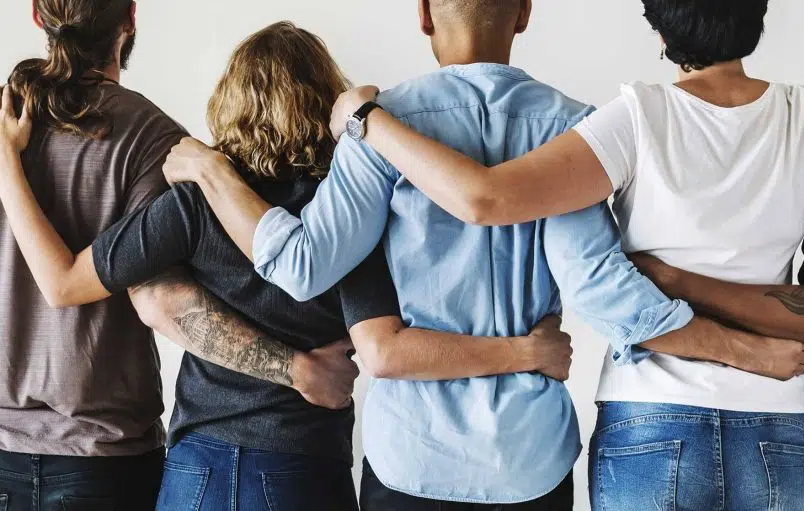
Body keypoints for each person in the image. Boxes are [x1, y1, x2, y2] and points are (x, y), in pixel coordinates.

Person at [158, 1, 804, 509]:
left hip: (412, 461)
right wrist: (741, 347)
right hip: (530, 461)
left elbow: (301, 267)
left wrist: (214, 173)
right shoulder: (573, 130)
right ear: (525, 13)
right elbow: (601, 292)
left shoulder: (378, 129)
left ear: (422, 14)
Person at [323, 0, 804, 508]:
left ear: (657, 27)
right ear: (758, 18)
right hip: (777, 423)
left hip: (650, 423)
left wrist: (365, 120)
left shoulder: (635, 119)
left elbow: (485, 198)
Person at [0, 20, 578, 511]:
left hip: (195, 466)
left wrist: (11, 167)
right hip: (300, 465)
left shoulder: (194, 201)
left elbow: (72, 281)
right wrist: (526, 350)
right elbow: (384, 346)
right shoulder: (347, 212)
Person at [0, 2, 355, 509]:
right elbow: (158, 302)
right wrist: (300, 370)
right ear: (130, 19)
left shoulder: (190, 194)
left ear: (38, 15)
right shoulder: (154, 139)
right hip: (110, 450)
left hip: (54, 448)